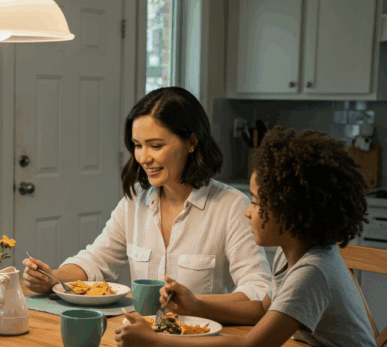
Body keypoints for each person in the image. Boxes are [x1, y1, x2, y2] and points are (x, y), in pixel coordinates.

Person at [117, 126, 381, 347]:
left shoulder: (312, 272)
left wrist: (154, 343)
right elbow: (260, 310)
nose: (247, 211)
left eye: (255, 202)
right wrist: (197, 305)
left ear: (290, 211)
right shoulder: (290, 253)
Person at [23, 87, 271, 307]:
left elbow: (259, 292)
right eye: (137, 145)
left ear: (192, 141)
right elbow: (97, 260)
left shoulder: (231, 207)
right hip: (140, 337)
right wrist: (51, 278)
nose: (143, 158)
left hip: (198, 342)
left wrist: (196, 304)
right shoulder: (135, 203)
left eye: (155, 145)